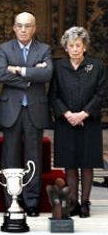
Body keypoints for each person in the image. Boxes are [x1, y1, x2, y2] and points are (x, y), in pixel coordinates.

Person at [0, 11, 52, 217]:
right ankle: (11, 199)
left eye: (27, 25)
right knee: (9, 157)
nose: (23, 29)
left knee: (33, 157)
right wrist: (32, 74)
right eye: (19, 25)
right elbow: (1, 73)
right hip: (11, 109)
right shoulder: (4, 48)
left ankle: (31, 202)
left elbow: (47, 73)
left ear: (34, 28)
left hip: (34, 110)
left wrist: (19, 70)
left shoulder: (44, 49)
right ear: (13, 27)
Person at [49, 26, 106, 219]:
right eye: (71, 45)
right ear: (66, 48)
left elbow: (101, 94)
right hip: (66, 123)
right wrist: (67, 114)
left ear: (84, 47)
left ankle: (85, 204)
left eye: (78, 45)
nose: (74, 49)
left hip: (89, 122)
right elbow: (53, 95)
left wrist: (83, 114)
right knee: (70, 164)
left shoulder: (96, 66)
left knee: (87, 163)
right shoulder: (59, 67)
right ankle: (72, 202)